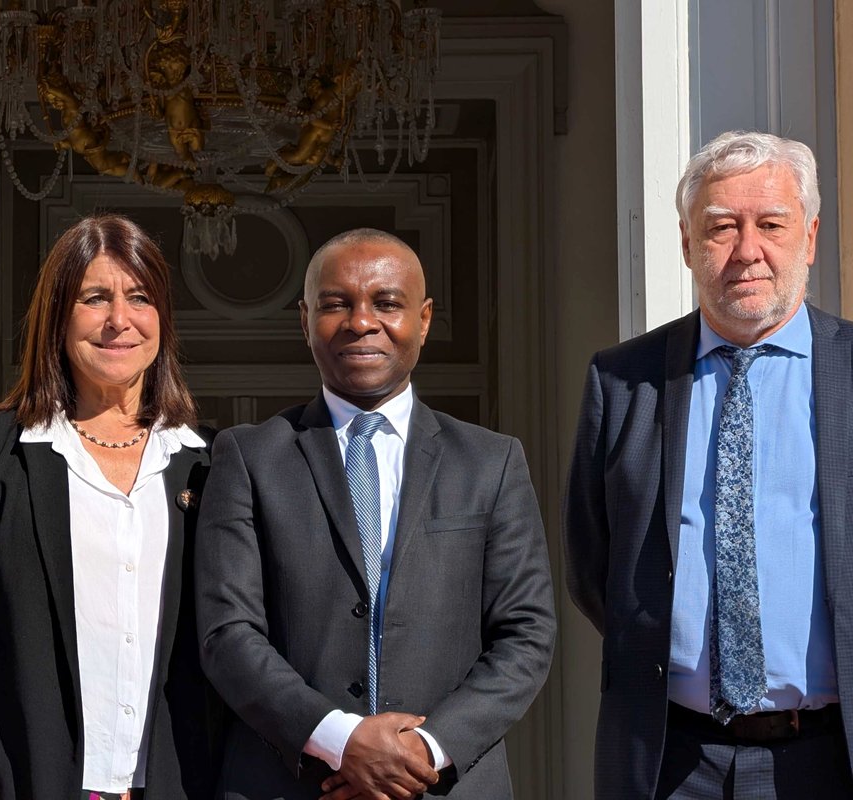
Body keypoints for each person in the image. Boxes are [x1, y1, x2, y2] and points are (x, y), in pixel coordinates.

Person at [195, 228, 556, 799]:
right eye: (336, 304)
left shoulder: (492, 462)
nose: (362, 322)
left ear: (425, 317)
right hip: (290, 783)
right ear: (305, 319)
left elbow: (526, 634)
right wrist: (340, 739)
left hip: (442, 784)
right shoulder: (247, 457)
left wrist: (423, 750)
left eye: (387, 303)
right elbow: (227, 632)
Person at [564, 130, 853, 798]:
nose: (747, 251)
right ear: (688, 244)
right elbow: (593, 566)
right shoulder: (623, 379)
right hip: (671, 759)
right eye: (721, 227)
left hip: (831, 759)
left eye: (771, 225)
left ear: (808, 238)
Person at [0, 215, 222, 800]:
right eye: (95, 298)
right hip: (22, 781)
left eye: (139, 298)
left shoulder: (210, 463)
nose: (119, 321)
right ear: (58, 317)